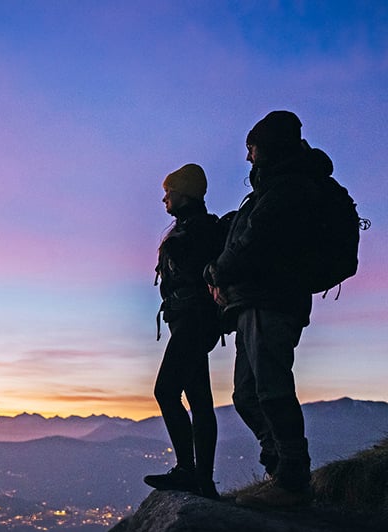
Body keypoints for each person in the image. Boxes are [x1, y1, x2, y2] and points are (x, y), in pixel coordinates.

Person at [206, 111, 333, 508]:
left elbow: (252, 244)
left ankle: (292, 479)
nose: (248, 158)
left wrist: (214, 272)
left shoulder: (288, 190)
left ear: (270, 145)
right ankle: (281, 468)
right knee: (246, 394)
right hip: (254, 303)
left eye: (252, 147)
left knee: (271, 389)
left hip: (272, 302)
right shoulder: (272, 189)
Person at [143, 163, 224, 500]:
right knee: (199, 400)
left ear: (184, 193)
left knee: (166, 391)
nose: (164, 199)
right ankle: (201, 479)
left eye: (169, 193)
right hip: (192, 321)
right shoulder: (198, 227)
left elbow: (193, 274)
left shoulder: (199, 230)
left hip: (191, 321)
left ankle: (188, 471)